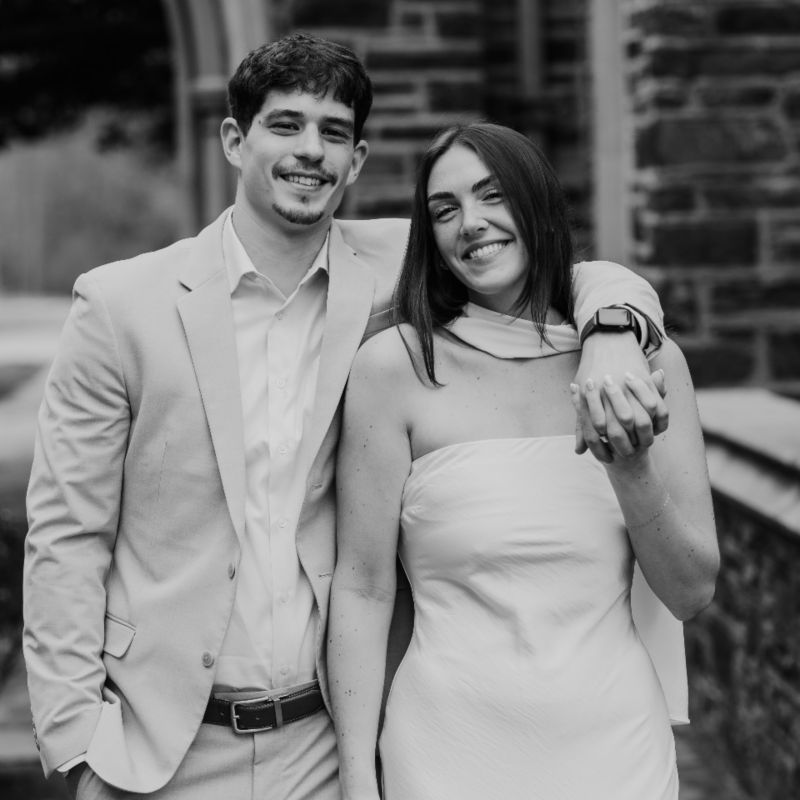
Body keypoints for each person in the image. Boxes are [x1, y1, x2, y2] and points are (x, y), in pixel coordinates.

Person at [24, 34, 668, 800]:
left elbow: (565, 266)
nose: (311, 150)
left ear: (356, 161)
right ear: (234, 140)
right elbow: (66, 537)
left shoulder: (402, 269)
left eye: (333, 133)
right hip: (159, 751)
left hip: (328, 744)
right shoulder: (120, 305)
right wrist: (78, 749)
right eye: (285, 125)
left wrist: (613, 330)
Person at [328, 122, 719, 800]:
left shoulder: (644, 366)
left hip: (614, 751)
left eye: (492, 195)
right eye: (444, 210)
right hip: (445, 752)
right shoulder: (393, 369)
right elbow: (363, 587)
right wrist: (358, 774)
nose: (470, 224)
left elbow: (690, 591)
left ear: (537, 202)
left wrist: (630, 469)